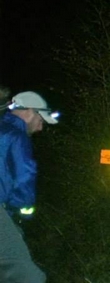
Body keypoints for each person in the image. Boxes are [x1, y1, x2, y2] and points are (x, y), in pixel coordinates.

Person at [1, 90, 59, 283]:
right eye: (41, 120)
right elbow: (23, 178)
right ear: (29, 112)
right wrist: (22, 213)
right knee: (27, 276)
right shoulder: (16, 136)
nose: (40, 128)